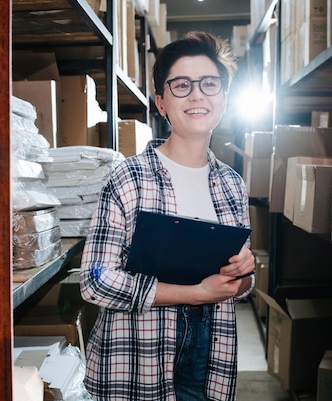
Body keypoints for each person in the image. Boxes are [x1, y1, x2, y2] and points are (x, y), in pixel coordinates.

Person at [79, 30, 256, 401]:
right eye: (181, 85)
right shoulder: (128, 177)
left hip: (210, 352)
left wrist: (242, 274)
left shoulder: (232, 185)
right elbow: (95, 281)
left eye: (210, 84)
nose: (197, 95)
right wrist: (194, 293)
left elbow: (239, 287)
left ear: (224, 98)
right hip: (139, 355)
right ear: (161, 102)